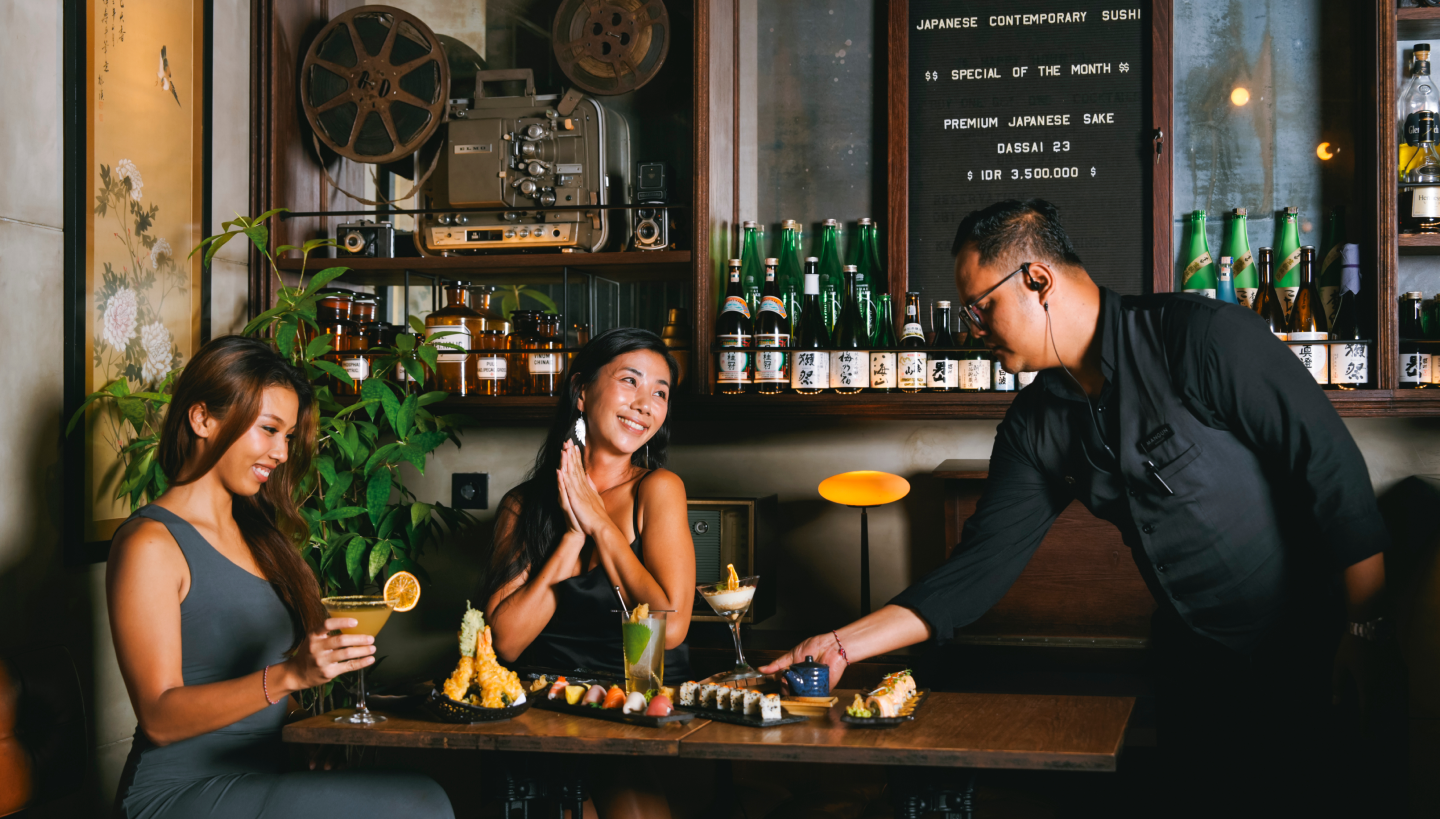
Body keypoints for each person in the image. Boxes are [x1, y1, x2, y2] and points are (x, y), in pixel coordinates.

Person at [761, 200, 1399, 817]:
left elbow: (1330, 471)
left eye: (980, 307)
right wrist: (840, 645)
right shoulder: (1034, 424)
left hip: (1309, 643)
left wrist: (1363, 633)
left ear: (1037, 281)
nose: (972, 328)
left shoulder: (1203, 336)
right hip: (1193, 663)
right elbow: (977, 570)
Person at [108, 336, 454, 819]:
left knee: (423, 790)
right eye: (269, 429)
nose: (282, 452)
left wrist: (307, 731)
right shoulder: (149, 544)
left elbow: (258, 685)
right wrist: (292, 676)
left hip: (261, 775)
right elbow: (159, 718)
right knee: (419, 802)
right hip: (175, 793)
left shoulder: (259, 537)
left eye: (288, 436)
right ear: (202, 418)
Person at [482, 327, 695, 819]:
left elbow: (669, 626)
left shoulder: (658, 489)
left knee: (615, 777)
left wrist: (600, 524)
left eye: (660, 393)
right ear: (581, 391)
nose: (644, 404)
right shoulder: (523, 506)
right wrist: (573, 536)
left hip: (638, 707)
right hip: (545, 710)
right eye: (630, 381)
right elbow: (506, 643)